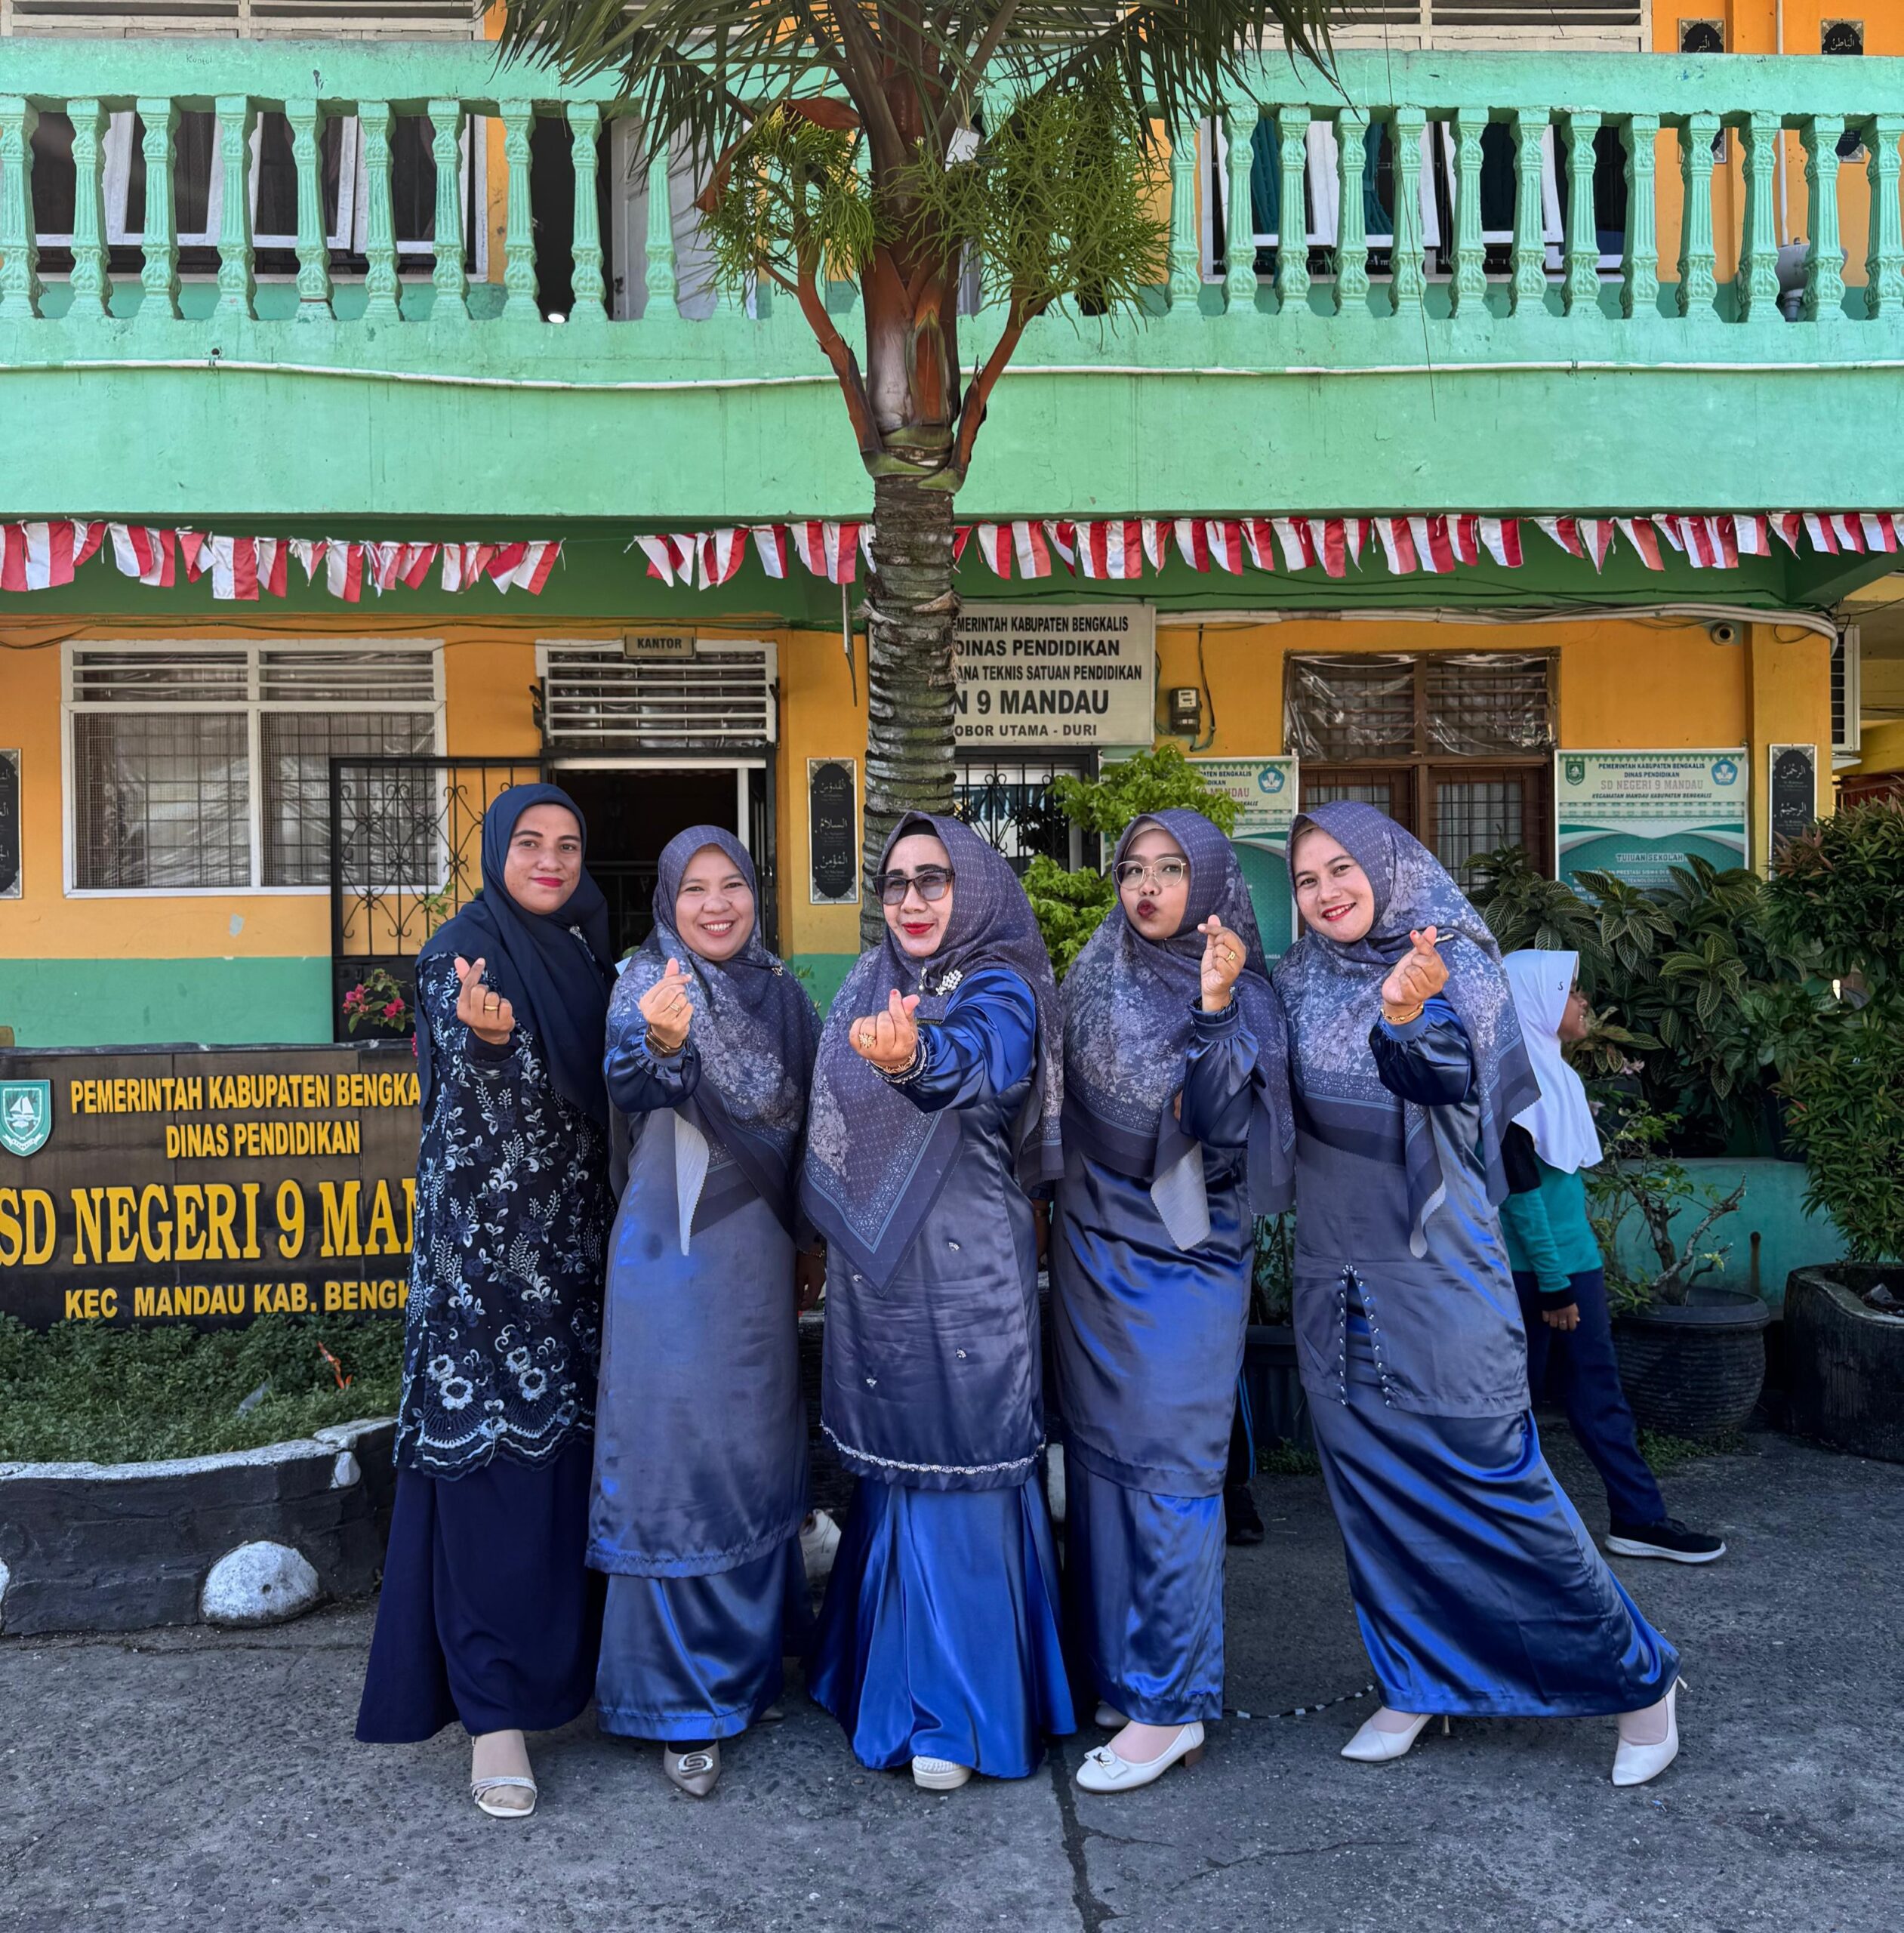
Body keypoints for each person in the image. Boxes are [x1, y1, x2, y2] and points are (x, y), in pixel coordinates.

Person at [1275, 802, 1684, 1788]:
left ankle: (1640, 1681)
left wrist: (1405, 1015)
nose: (1326, 891)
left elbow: (1450, 1083)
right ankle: (1418, 1678)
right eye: (1305, 878)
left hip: (1437, 1272)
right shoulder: (1293, 980)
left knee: (1495, 1487)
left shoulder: (1449, 957)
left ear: (1385, 865)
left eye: (1341, 868)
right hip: (1333, 1277)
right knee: (1375, 1498)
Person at [356, 783, 615, 1818]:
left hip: (576, 1266)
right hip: (483, 1282)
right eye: (530, 842)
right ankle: (493, 1719)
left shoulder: (587, 958)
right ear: (496, 850)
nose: (550, 860)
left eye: (568, 844)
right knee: (488, 1487)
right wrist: (492, 1044)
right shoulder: (458, 953)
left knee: (567, 1482)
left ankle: (574, 1677)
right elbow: (466, 1079)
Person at [803, 813, 1076, 1791]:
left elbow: (981, 1056)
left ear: (975, 889)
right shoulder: (867, 983)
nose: (911, 900)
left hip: (968, 1270)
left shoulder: (1000, 982)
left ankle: (954, 1713)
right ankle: (882, 1676)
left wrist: (913, 1059)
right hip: (879, 1272)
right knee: (896, 1462)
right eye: (895, 883)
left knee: (962, 1459)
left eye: (933, 879)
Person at [1052, 811, 1294, 1793]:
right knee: (1103, 1472)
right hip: (1089, 1250)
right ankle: (1127, 1674)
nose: (1145, 886)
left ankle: (1173, 1702)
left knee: (1172, 1476)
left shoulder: (1245, 991)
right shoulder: (1094, 969)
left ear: (1211, 881)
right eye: (1131, 868)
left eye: (1169, 868)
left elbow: (1221, 1125)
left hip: (1184, 1255)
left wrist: (1213, 1005)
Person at [590, 827, 823, 1797]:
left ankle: (749, 1670)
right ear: (666, 901)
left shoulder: (783, 995)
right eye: (694, 888)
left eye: (733, 884)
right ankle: (679, 1703)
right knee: (677, 1459)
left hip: (759, 1257)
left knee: (752, 1454)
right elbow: (629, 1078)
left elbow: (812, 1133)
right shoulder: (647, 982)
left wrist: (810, 1243)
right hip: (672, 1255)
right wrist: (662, 1040)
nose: (716, 904)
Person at [1499, 950, 1726, 1564]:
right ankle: (1503, 1535)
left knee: (1598, 1396)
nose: (1583, 1003)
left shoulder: (1558, 1077)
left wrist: (1571, 1274)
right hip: (1535, 1276)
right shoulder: (1515, 1084)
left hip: (1573, 1268)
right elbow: (1521, 1197)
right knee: (1510, 1408)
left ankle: (1638, 1519)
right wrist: (1554, 1285)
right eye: (1571, 991)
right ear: (1536, 1002)